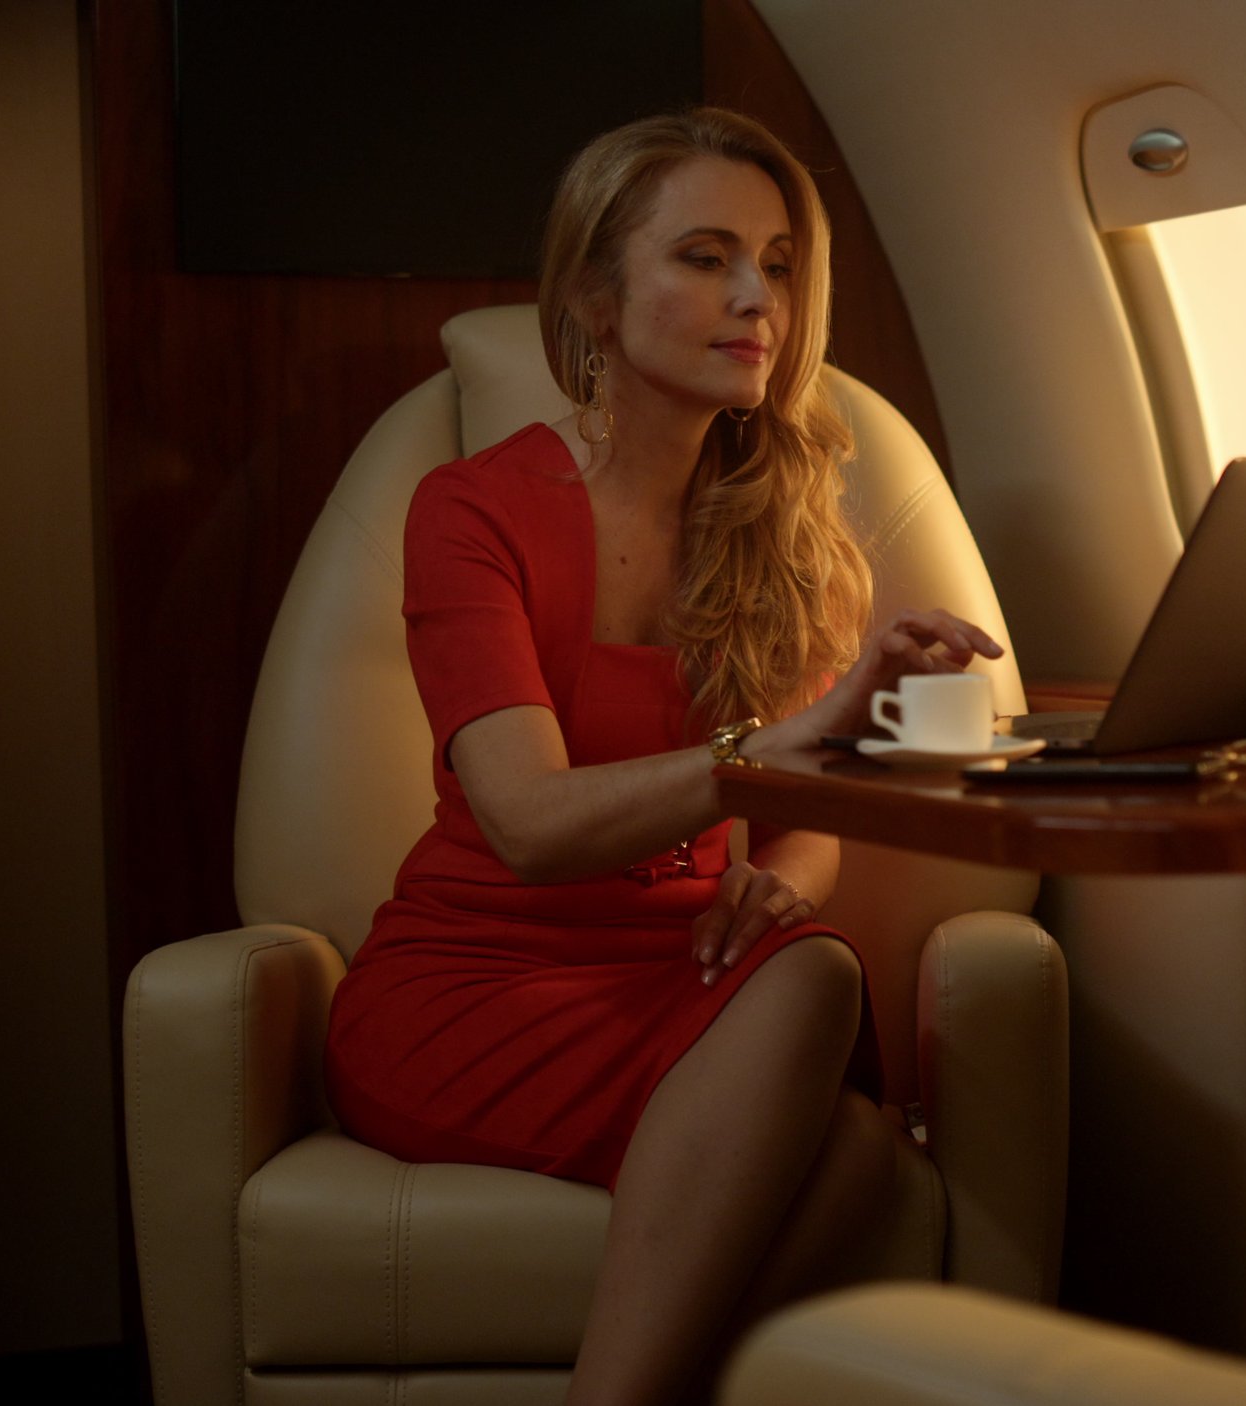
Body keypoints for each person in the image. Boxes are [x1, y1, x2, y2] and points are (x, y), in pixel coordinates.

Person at [322, 108, 1005, 1406]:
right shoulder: (471, 511)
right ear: (593, 291)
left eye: (780, 263)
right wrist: (789, 745)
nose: (758, 297)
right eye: (705, 257)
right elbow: (524, 819)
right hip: (479, 983)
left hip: (681, 978)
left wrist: (788, 874)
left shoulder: (785, 530)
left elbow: (807, 816)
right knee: (817, 1007)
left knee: (864, 1143)